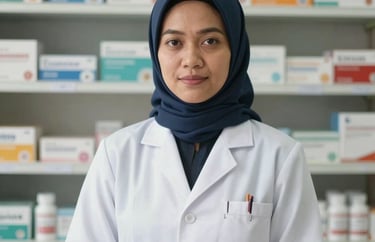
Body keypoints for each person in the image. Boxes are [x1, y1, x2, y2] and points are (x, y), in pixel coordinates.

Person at [66, 0, 323, 241]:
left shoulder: (280, 156)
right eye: (174, 42)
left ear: (235, 50)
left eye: (210, 41)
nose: (191, 60)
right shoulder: (117, 153)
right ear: (156, 52)